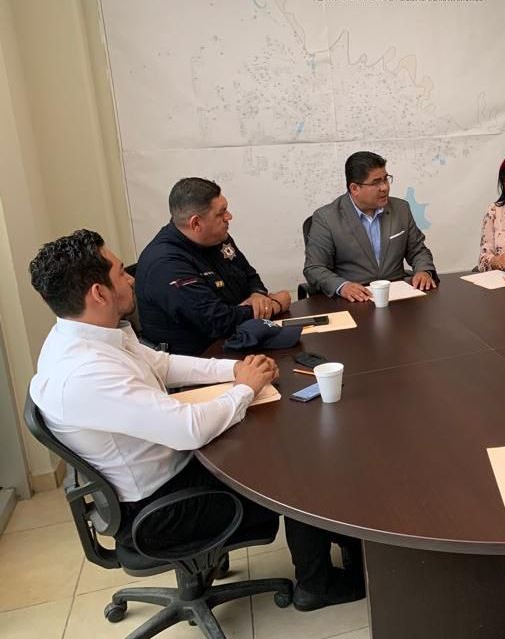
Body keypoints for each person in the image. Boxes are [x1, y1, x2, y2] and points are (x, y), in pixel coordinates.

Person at [28, 230, 364, 611]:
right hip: (162, 509)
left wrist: (235, 369)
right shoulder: (87, 373)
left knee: (279, 439)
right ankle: (317, 585)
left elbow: (164, 364)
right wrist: (246, 390)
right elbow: (188, 430)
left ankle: (345, 546)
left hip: (162, 473)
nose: (131, 278)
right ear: (98, 293)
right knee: (297, 465)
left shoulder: (85, 336)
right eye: (121, 272)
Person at [134, 177, 292, 356]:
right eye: (221, 213)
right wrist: (274, 305)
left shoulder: (217, 238)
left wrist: (258, 295)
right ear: (196, 223)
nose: (229, 217)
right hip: (201, 359)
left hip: (241, 338)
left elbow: (250, 275)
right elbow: (218, 322)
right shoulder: (165, 264)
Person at [303, 151, 437, 302]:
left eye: (386, 179)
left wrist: (423, 271)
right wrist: (343, 286)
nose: (384, 187)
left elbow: (418, 250)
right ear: (354, 189)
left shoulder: (401, 209)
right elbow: (314, 268)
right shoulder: (327, 218)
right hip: (354, 300)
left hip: (398, 296)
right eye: (376, 183)